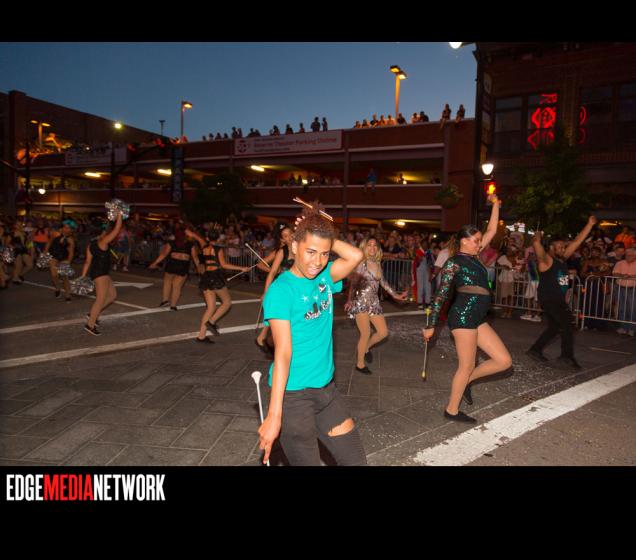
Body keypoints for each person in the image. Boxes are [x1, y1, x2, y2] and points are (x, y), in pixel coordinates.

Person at [257, 202, 367, 466]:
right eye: (310, 251)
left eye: (324, 253)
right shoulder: (281, 291)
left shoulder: (324, 276)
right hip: (294, 397)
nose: (317, 262)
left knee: (356, 461)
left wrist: (322, 229)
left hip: (326, 390)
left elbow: (355, 256)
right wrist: (274, 415)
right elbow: (283, 353)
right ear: (294, 246)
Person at [423, 194, 512, 423]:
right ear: (464, 241)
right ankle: (452, 410)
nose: (479, 243)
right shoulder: (454, 262)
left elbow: (492, 229)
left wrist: (495, 205)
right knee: (466, 365)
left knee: (503, 361)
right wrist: (431, 325)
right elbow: (441, 295)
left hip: (478, 317)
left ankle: (468, 381)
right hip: (462, 316)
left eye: (480, 240)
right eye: (476, 240)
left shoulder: (476, 257)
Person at [527, 216, 598, 369]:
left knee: (554, 327)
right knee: (567, 324)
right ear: (551, 248)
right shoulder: (546, 260)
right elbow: (537, 246)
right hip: (550, 298)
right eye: (560, 246)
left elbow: (577, 241)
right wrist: (537, 238)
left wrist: (589, 224)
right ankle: (566, 356)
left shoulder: (562, 259)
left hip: (557, 299)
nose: (563, 248)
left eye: (563, 246)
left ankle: (535, 350)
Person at [346, 237, 408, 374]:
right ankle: (360, 364)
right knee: (365, 333)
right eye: (369, 245)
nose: (372, 248)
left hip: (374, 303)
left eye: (375, 245)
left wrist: (396, 295)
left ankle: (366, 348)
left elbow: (383, 282)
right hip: (361, 302)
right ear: (364, 247)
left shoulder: (377, 263)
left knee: (383, 332)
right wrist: (349, 300)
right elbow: (354, 284)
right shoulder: (361, 263)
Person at [188, 228, 249, 342]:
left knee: (210, 308)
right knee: (227, 303)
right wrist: (241, 268)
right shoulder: (218, 249)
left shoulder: (204, 247)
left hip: (206, 276)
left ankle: (201, 336)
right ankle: (211, 322)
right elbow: (224, 265)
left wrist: (191, 233)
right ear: (218, 238)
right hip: (215, 277)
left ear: (207, 238)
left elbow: (199, 239)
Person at [81, 211, 124, 335]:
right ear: (102, 231)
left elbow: (87, 262)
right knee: (100, 299)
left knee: (112, 296)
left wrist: (83, 276)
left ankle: (92, 314)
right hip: (101, 274)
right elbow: (117, 229)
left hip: (101, 272)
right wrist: (119, 215)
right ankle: (90, 325)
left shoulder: (91, 245)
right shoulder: (103, 241)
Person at [256, 223, 295, 354]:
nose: (290, 237)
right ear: (282, 239)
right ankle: (276, 345)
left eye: (291, 234)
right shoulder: (281, 251)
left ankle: (264, 339)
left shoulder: (301, 248)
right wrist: (265, 293)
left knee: (285, 317)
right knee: (282, 317)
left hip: (295, 288)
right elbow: (271, 273)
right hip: (282, 288)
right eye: (286, 236)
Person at [148, 228, 201, 310]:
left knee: (167, 282)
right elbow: (195, 258)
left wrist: (155, 263)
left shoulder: (171, 243)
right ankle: (173, 305)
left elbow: (163, 254)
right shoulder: (191, 244)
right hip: (183, 265)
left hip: (172, 264)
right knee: (177, 286)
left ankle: (165, 300)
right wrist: (199, 268)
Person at [44, 220, 76, 302]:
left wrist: (68, 262)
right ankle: (57, 287)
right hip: (53, 256)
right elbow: (49, 243)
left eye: (68, 228)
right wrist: (44, 254)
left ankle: (67, 294)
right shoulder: (55, 234)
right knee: (54, 275)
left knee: (64, 277)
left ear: (71, 230)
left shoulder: (70, 240)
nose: (66, 229)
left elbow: (71, 252)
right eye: (65, 227)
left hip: (64, 258)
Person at [613, 247, 636, 336]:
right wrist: (622, 275)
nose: (628, 256)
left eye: (630, 255)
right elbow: (614, 273)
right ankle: (622, 327)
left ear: (635, 256)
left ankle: (631, 328)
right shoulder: (619, 263)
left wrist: (630, 276)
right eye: (627, 255)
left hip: (632, 289)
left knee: (632, 309)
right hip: (620, 287)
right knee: (621, 308)